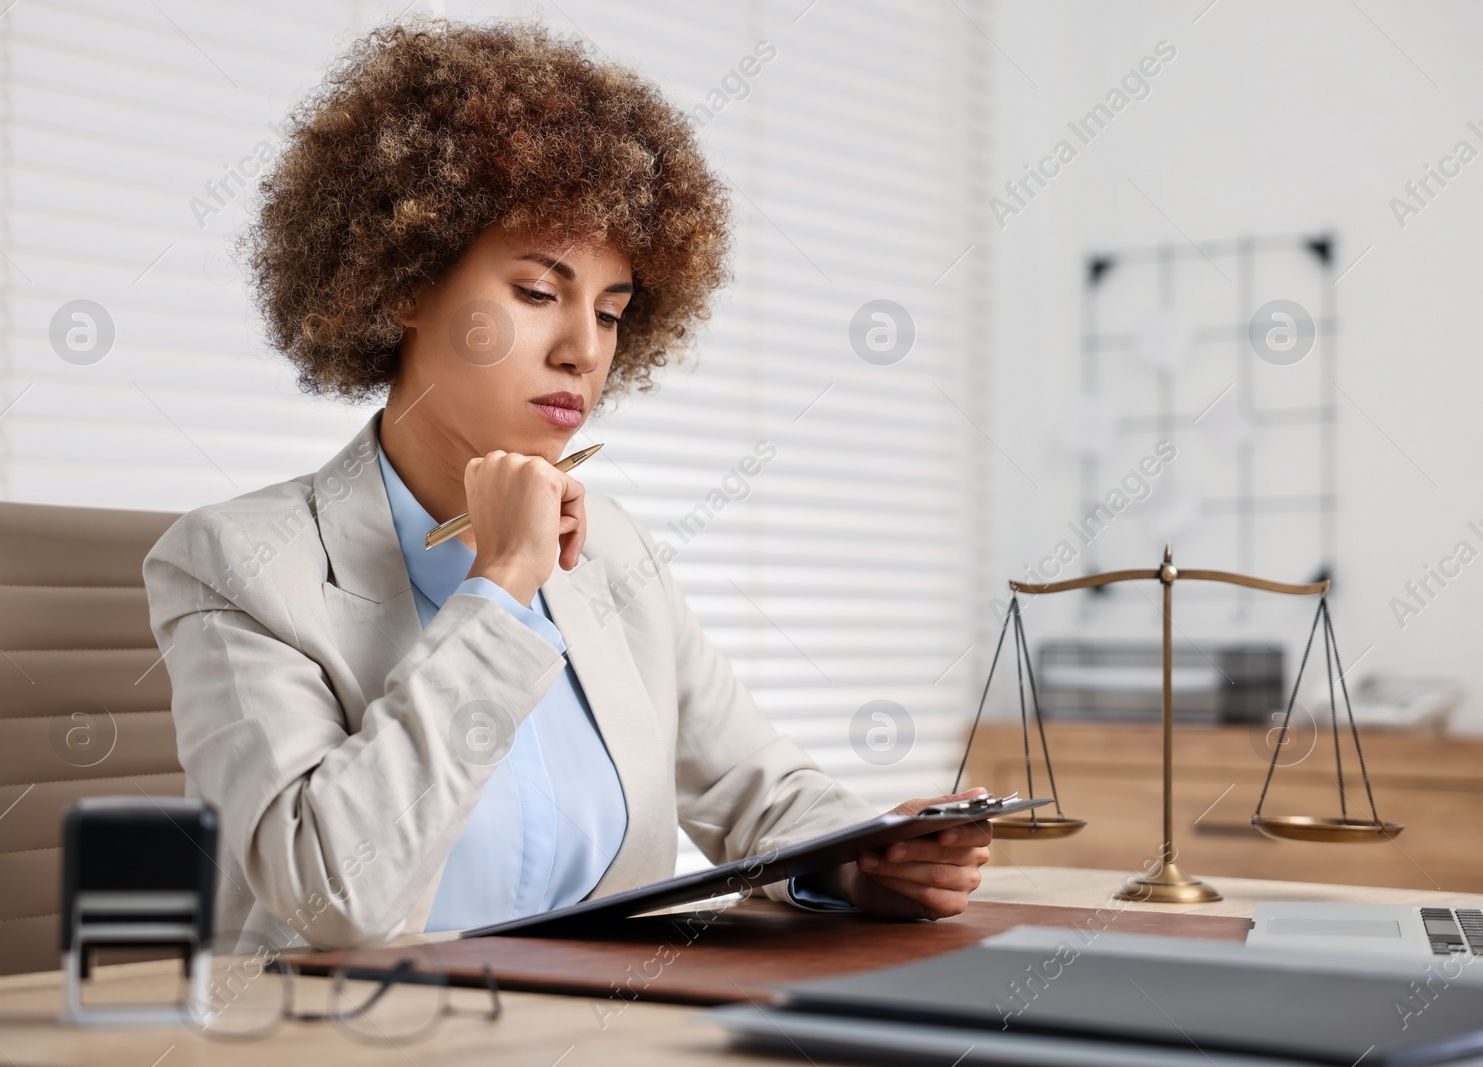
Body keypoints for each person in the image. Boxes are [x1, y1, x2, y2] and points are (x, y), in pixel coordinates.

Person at [143, 17, 990, 951]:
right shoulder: (237, 565)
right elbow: (335, 900)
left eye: (612, 311)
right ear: (404, 282)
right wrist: (498, 589)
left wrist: (862, 860)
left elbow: (757, 788)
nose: (584, 350)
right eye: (538, 294)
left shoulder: (610, 548)